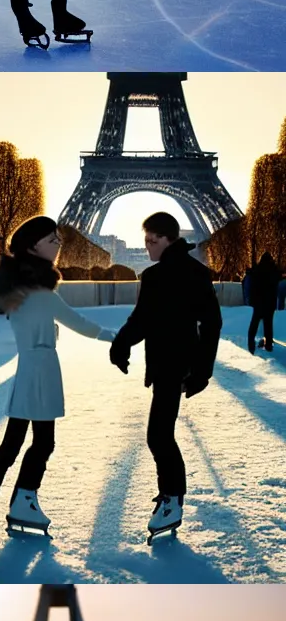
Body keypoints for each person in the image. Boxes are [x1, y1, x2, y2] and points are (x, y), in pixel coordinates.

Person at [0, 218, 114, 549]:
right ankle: (19, 500)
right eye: (51, 239)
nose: (59, 243)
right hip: (42, 368)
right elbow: (82, 325)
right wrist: (121, 338)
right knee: (39, 443)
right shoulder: (41, 294)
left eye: (58, 238)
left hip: (30, 366)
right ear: (32, 247)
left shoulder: (18, 289)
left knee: (14, 444)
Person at [109, 211, 222, 541]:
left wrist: (121, 345)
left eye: (152, 241)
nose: (147, 247)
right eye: (145, 241)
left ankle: (172, 498)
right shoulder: (197, 273)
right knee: (161, 432)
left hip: (168, 364)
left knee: (158, 435)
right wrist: (203, 369)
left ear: (170, 239)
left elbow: (141, 319)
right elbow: (211, 324)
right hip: (181, 362)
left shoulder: (155, 277)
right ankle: (171, 494)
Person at [247, 251, 280, 353]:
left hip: (259, 302)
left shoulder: (257, 270)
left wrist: (252, 300)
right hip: (270, 303)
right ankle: (268, 345)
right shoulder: (274, 271)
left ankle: (251, 343)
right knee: (268, 325)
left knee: (254, 324)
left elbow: (252, 286)